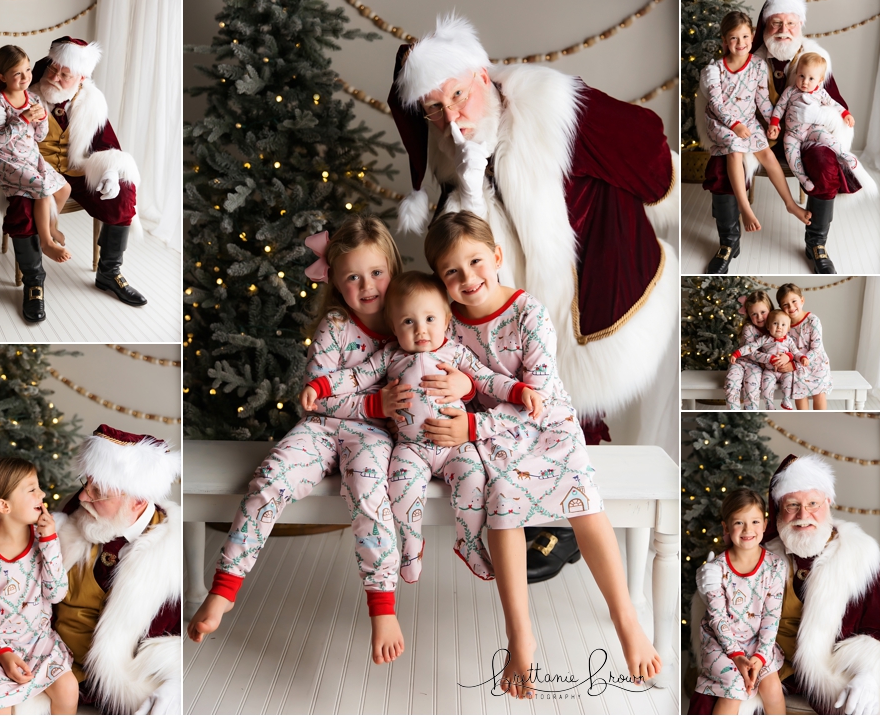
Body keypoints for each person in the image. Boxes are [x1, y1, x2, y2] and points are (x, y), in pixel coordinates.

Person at [387, 12, 677, 582]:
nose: (451, 118)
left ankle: (565, 522)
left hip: (585, 272)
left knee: (568, 401)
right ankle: (528, 513)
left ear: (481, 73)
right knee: (514, 391)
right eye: (435, 110)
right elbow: (464, 241)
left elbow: (649, 152)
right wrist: (468, 189)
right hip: (509, 294)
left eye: (459, 97)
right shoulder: (449, 150)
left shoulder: (553, 106)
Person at [188, 218, 473, 666]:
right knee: (271, 478)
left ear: (393, 269)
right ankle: (224, 589)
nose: (367, 285)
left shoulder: (418, 321)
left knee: (368, 495)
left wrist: (461, 384)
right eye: (353, 277)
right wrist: (373, 405)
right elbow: (317, 398)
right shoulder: (336, 326)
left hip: (374, 439)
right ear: (337, 285)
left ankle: (382, 608)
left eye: (376, 273)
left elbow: (455, 367)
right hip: (322, 431)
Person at [423, 210, 662, 697]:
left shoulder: (526, 311)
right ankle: (520, 636)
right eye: (452, 271)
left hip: (544, 426)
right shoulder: (447, 326)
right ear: (440, 280)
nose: (468, 278)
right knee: (503, 497)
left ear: (496, 257)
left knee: (584, 501)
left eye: (474, 262)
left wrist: (471, 424)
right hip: (493, 439)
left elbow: (540, 396)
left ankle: (626, 619)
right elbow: (450, 383)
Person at [302, 270, 544, 583]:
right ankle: (412, 544)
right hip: (411, 448)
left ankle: (468, 542)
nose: (420, 331)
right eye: (408, 322)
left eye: (430, 319)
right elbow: (356, 377)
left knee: (473, 480)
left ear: (446, 321)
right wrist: (320, 386)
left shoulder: (455, 353)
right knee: (400, 488)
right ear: (394, 326)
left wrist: (518, 390)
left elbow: (488, 380)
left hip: (456, 446)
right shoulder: (389, 356)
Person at [0, 426, 182, 715]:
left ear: (137, 501)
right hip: (30, 648)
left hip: (106, 677)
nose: (84, 497)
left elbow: (174, 644)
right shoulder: (63, 520)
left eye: (98, 492)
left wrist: (173, 683)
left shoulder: (168, 559)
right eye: (85, 484)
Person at [0, 36, 146, 323]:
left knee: (123, 193)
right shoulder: (27, 91)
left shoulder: (91, 101)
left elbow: (107, 144)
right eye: (52, 69)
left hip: (76, 171)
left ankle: (109, 273)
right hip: (30, 169)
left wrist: (110, 171)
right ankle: (34, 281)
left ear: (81, 77)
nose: (55, 77)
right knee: (23, 209)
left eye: (65, 73)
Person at [702, 0, 876, 274]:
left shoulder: (815, 60)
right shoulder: (752, 59)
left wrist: (819, 115)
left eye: (790, 23)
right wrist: (763, 125)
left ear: (800, 25)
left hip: (804, 134)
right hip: (756, 132)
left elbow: (834, 103)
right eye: (776, 23)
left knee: (825, 163)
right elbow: (732, 100)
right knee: (722, 164)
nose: (784, 30)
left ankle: (816, 243)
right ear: (764, 27)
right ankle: (729, 242)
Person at [690, 454, 880, 714]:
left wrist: (871, 673)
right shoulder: (761, 552)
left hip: (826, 667)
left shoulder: (861, 556)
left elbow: (877, 628)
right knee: (717, 700)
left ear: (828, 502)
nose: (804, 515)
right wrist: (709, 589)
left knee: (865, 706)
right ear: (779, 509)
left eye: (813, 503)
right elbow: (728, 603)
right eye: (793, 505)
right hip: (764, 656)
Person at [0, 457, 79, 715]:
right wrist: (2, 653)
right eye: (32, 489)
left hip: (39, 641)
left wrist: (49, 541)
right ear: (4, 505)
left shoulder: (43, 540)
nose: (43, 494)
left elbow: (56, 594)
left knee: (69, 688)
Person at [701, 11, 811, 235]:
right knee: (735, 150)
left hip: (749, 121)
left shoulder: (758, 66)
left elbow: (762, 100)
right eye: (733, 38)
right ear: (724, 41)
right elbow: (715, 105)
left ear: (752, 37)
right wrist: (734, 126)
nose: (740, 43)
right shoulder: (715, 70)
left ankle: (790, 204)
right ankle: (744, 207)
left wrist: (773, 122)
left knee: (767, 155)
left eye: (744, 37)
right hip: (722, 123)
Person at [694, 488, 786, 713]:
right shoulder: (716, 570)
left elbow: (771, 619)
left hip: (756, 641)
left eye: (755, 521)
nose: (748, 530)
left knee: (772, 687)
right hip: (721, 643)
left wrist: (760, 658)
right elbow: (717, 619)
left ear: (764, 525)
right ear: (726, 527)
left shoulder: (775, 567)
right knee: (735, 689)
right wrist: (736, 656)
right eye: (738, 523)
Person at [0, 46, 72, 264]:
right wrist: (24, 119)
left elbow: (39, 137)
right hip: (6, 161)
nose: (26, 77)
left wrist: (40, 122)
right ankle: (46, 242)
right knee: (42, 187)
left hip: (29, 157)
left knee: (64, 188)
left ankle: (49, 227)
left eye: (28, 70)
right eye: (17, 73)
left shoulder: (33, 99)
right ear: (2, 76)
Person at [767, 52, 859, 192]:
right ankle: (803, 178)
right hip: (792, 133)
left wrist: (846, 113)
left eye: (811, 78)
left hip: (812, 129)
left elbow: (834, 104)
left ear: (820, 80)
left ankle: (844, 155)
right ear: (797, 73)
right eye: (801, 76)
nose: (804, 82)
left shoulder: (821, 93)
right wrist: (774, 123)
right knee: (791, 155)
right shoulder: (790, 91)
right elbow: (779, 107)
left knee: (828, 139)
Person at [730, 309, 810, 410]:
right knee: (766, 386)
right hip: (769, 370)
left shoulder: (789, 340)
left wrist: (802, 358)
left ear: (788, 328)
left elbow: (795, 353)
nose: (779, 327)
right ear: (768, 326)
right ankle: (769, 406)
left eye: (783, 325)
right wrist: (737, 353)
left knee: (789, 380)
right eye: (775, 323)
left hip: (784, 371)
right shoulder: (765, 339)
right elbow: (751, 347)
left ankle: (786, 400)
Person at [777, 283, 831, 410]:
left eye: (794, 301)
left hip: (816, 364)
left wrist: (798, 364)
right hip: (797, 367)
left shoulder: (813, 321)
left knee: (819, 394)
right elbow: (785, 347)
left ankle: (819, 420)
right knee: (799, 394)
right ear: (780, 307)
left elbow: (816, 349)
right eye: (785, 304)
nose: (791, 307)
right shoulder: (785, 325)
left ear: (802, 300)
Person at [724, 290, 773, 410]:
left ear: (770, 310)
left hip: (756, 367)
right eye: (754, 314)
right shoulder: (749, 328)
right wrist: (769, 359)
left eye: (763, 312)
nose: (759, 317)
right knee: (731, 384)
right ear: (749, 315)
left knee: (752, 389)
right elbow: (750, 352)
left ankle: (748, 414)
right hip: (740, 362)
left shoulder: (774, 329)